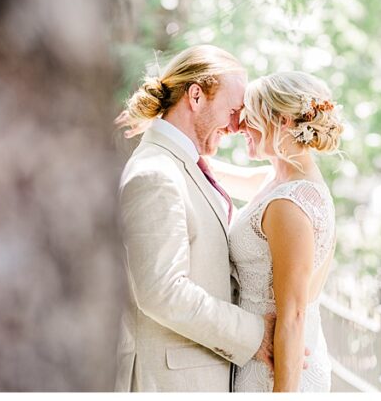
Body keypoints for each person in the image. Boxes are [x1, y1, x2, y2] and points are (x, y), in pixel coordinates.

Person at [113, 45, 273, 391]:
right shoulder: (155, 174)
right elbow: (162, 292)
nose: (236, 125)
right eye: (233, 110)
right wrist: (254, 334)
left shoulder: (181, 164)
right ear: (196, 96)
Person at [212, 71, 343, 391]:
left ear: (283, 121)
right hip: (257, 358)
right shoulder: (275, 183)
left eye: (250, 114)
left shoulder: (289, 205)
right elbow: (210, 169)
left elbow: (293, 315)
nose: (240, 125)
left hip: (275, 373)